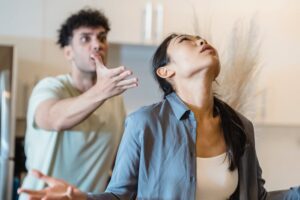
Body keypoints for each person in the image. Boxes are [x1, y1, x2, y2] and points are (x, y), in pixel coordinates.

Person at [18, 33, 300, 200]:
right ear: (166, 72)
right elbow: (119, 196)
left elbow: (257, 197)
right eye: (186, 41)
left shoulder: (240, 126)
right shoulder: (145, 123)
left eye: (200, 38)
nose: (201, 40)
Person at [19, 8, 138, 199]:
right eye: (85, 39)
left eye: (102, 37)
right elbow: (53, 118)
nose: (97, 45)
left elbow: (119, 160)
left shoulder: (114, 99)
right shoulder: (50, 87)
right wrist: (102, 90)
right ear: (68, 52)